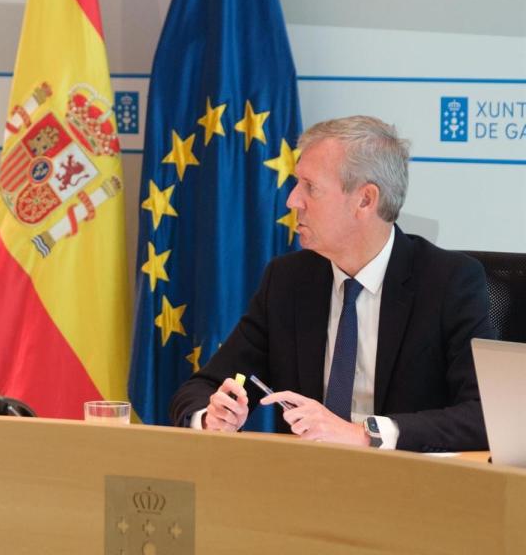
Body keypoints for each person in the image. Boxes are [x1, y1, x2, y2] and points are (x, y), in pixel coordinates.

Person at [169, 115, 492, 452]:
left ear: (365, 200)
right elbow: (201, 387)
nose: (292, 201)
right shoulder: (288, 280)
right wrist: (211, 416)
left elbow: (483, 415)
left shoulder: (448, 281)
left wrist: (364, 434)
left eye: (311, 187)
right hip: (308, 487)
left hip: (411, 487)